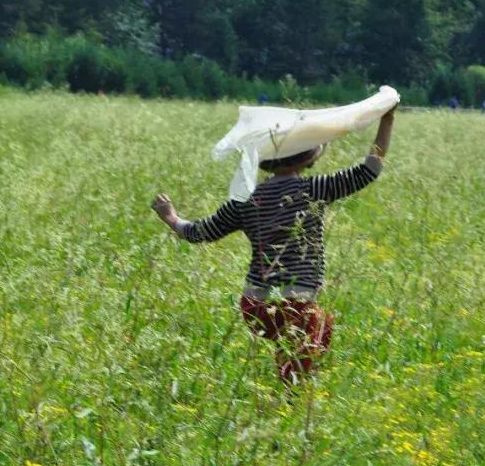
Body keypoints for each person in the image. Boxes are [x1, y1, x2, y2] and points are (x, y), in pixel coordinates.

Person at [152, 109, 395, 387]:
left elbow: (200, 232)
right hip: (294, 303)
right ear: (307, 155)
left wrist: (171, 217)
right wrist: (387, 120)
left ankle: (287, 390)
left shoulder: (245, 200)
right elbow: (369, 170)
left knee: (316, 332)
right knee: (302, 364)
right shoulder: (313, 189)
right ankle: (289, 401)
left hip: (254, 306)